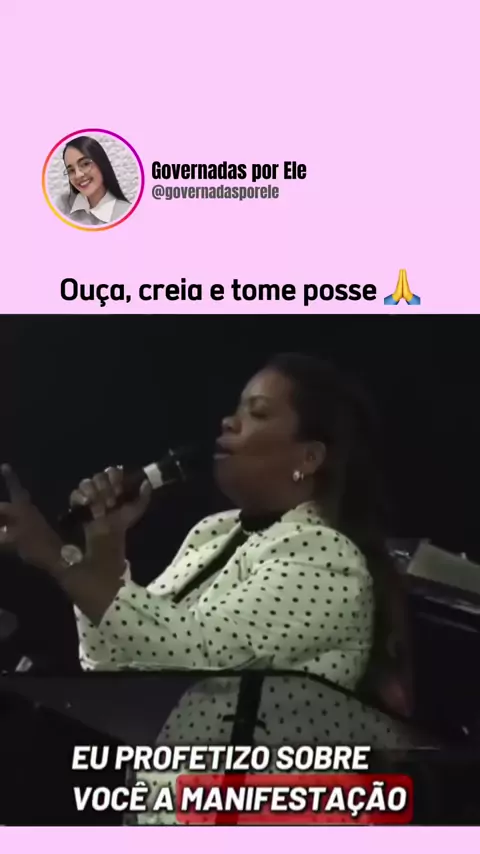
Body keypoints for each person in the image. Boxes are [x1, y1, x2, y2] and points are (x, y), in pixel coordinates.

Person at [0, 353, 413, 818]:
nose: (228, 422)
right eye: (236, 409)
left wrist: (57, 558)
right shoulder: (213, 532)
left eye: (257, 413)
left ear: (308, 458)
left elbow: (196, 652)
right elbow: (116, 661)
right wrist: (107, 544)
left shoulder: (326, 557)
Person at [54, 136, 131, 226]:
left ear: (102, 163)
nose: (78, 175)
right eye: (71, 170)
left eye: (85, 164)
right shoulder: (61, 205)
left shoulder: (128, 214)